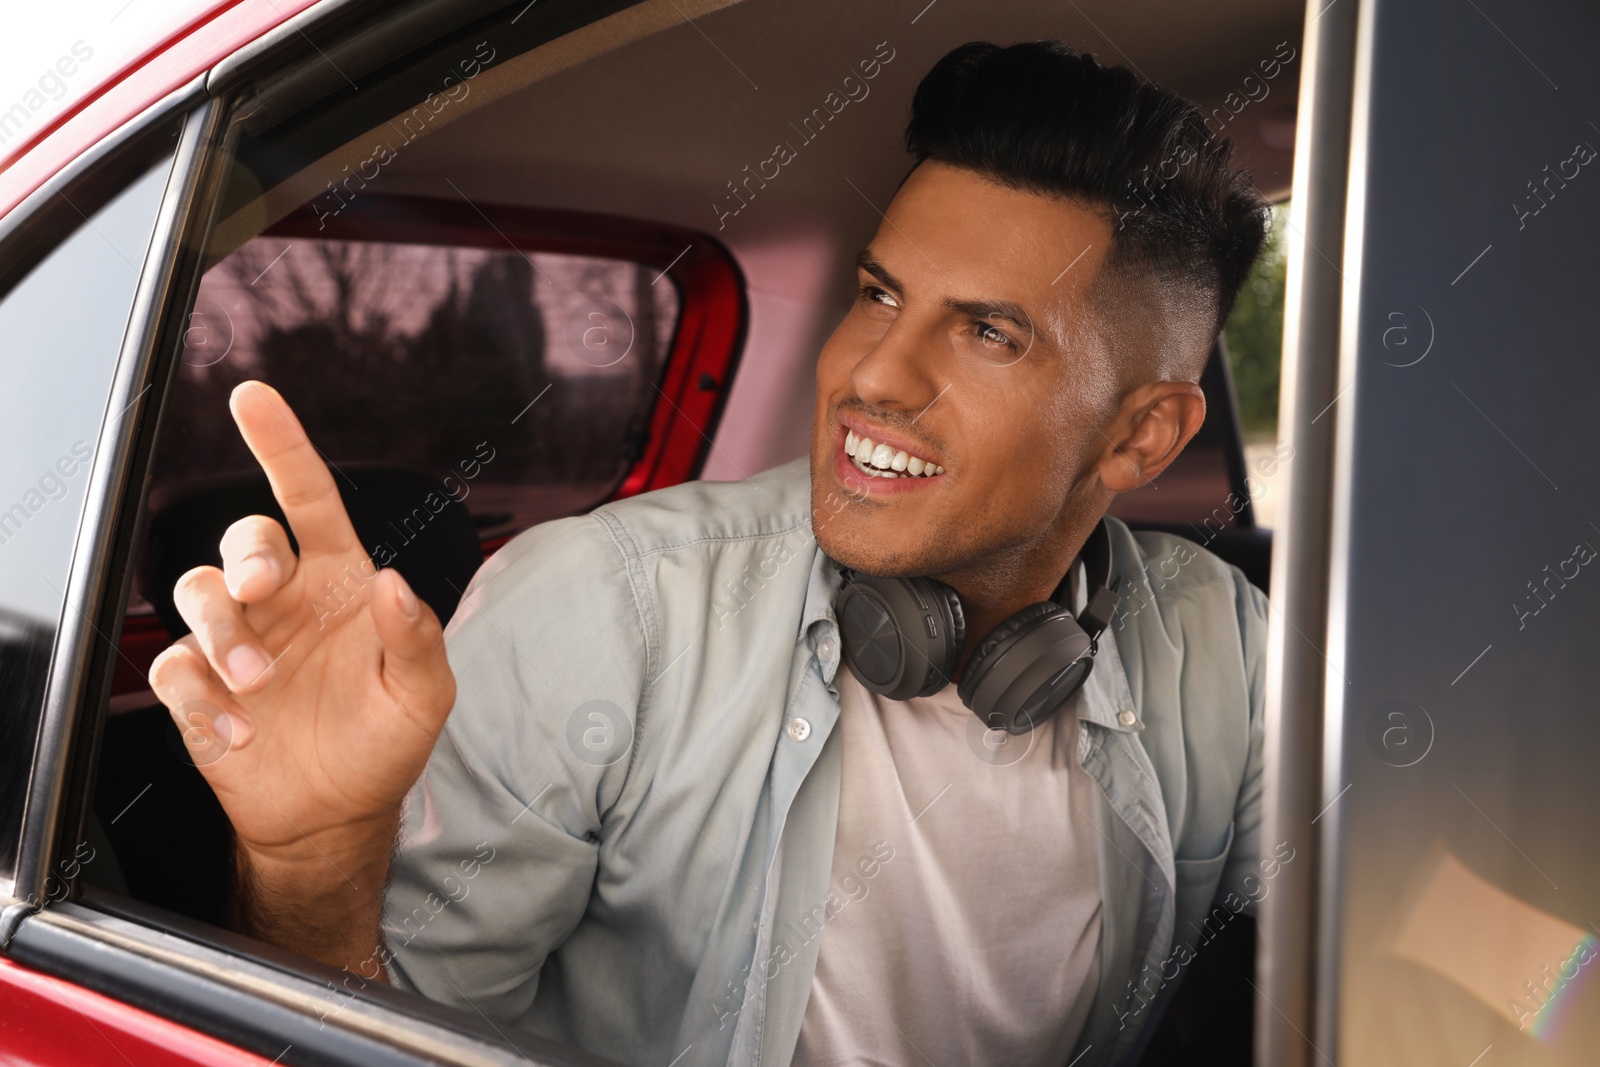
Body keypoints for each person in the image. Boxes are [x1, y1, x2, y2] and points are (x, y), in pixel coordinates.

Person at [149, 39, 1271, 1067]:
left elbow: (1407, 922)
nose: (875, 373)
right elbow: (367, 1031)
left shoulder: (1226, 639)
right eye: (879, 293)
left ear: (1139, 435)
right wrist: (311, 861)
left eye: (986, 331)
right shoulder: (600, 608)